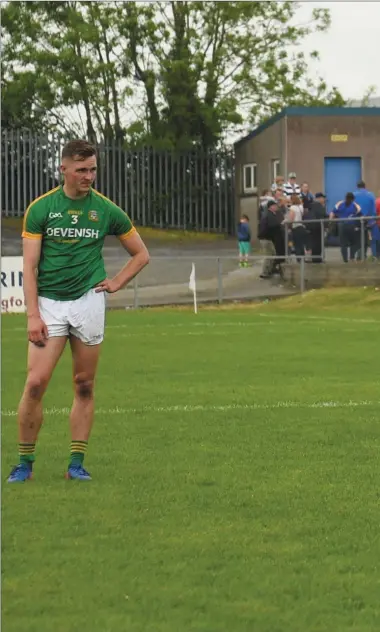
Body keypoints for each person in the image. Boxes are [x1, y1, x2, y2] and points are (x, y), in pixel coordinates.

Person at [7, 139, 150, 483]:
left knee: (84, 384)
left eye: (93, 169)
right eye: (82, 170)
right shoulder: (41, 209)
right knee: (35, 383)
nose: (89, 176)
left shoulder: (105, 209)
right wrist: (32, 315)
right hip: (50, 305)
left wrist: (116, 283)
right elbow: (29, 267)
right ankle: (25, 464)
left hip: (88, 303)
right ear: (64, 170)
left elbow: (141, 254)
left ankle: (76, 464)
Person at [330, 192, 361, 263]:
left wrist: (331, 223)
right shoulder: (354, 205)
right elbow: (360, 213)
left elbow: (332, 213)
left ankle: (345, 260)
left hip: (341, 225)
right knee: (354, 242)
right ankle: (352, 257)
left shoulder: (340, 204)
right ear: (353, 199)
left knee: (343, 244)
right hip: (351, 226)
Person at [258, 200, 285, 277]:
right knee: (269, 255)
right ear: (271, 207)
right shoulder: (268, 215)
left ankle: (269, 270)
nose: (276, 207)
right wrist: (280, 224)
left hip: (268, 238)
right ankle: (265, 272)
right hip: (265, 238)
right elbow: (272, 225)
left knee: (272, 254)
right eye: (275, 205)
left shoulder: (270, 214)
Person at [352, 180, 376, 259]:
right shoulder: (370, 195)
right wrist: (372, 220)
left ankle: (358, 255)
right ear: (365, 186)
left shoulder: (353, 195)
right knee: (366, 237)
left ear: (357, 187)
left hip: (356, 220)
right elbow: (373, 209)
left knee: (357, 238)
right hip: (368, 219)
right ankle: (364, 254)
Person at [307, 193, 327, 263]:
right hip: (317, 226)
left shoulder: (312, 205)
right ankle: (317, 258)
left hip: (314, 226)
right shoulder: (318, 205)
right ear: (319, 198)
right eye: (323, 198)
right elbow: (322, 214)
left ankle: (316, 257)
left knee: (315, 242)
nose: (324, 199)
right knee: (317, 243)